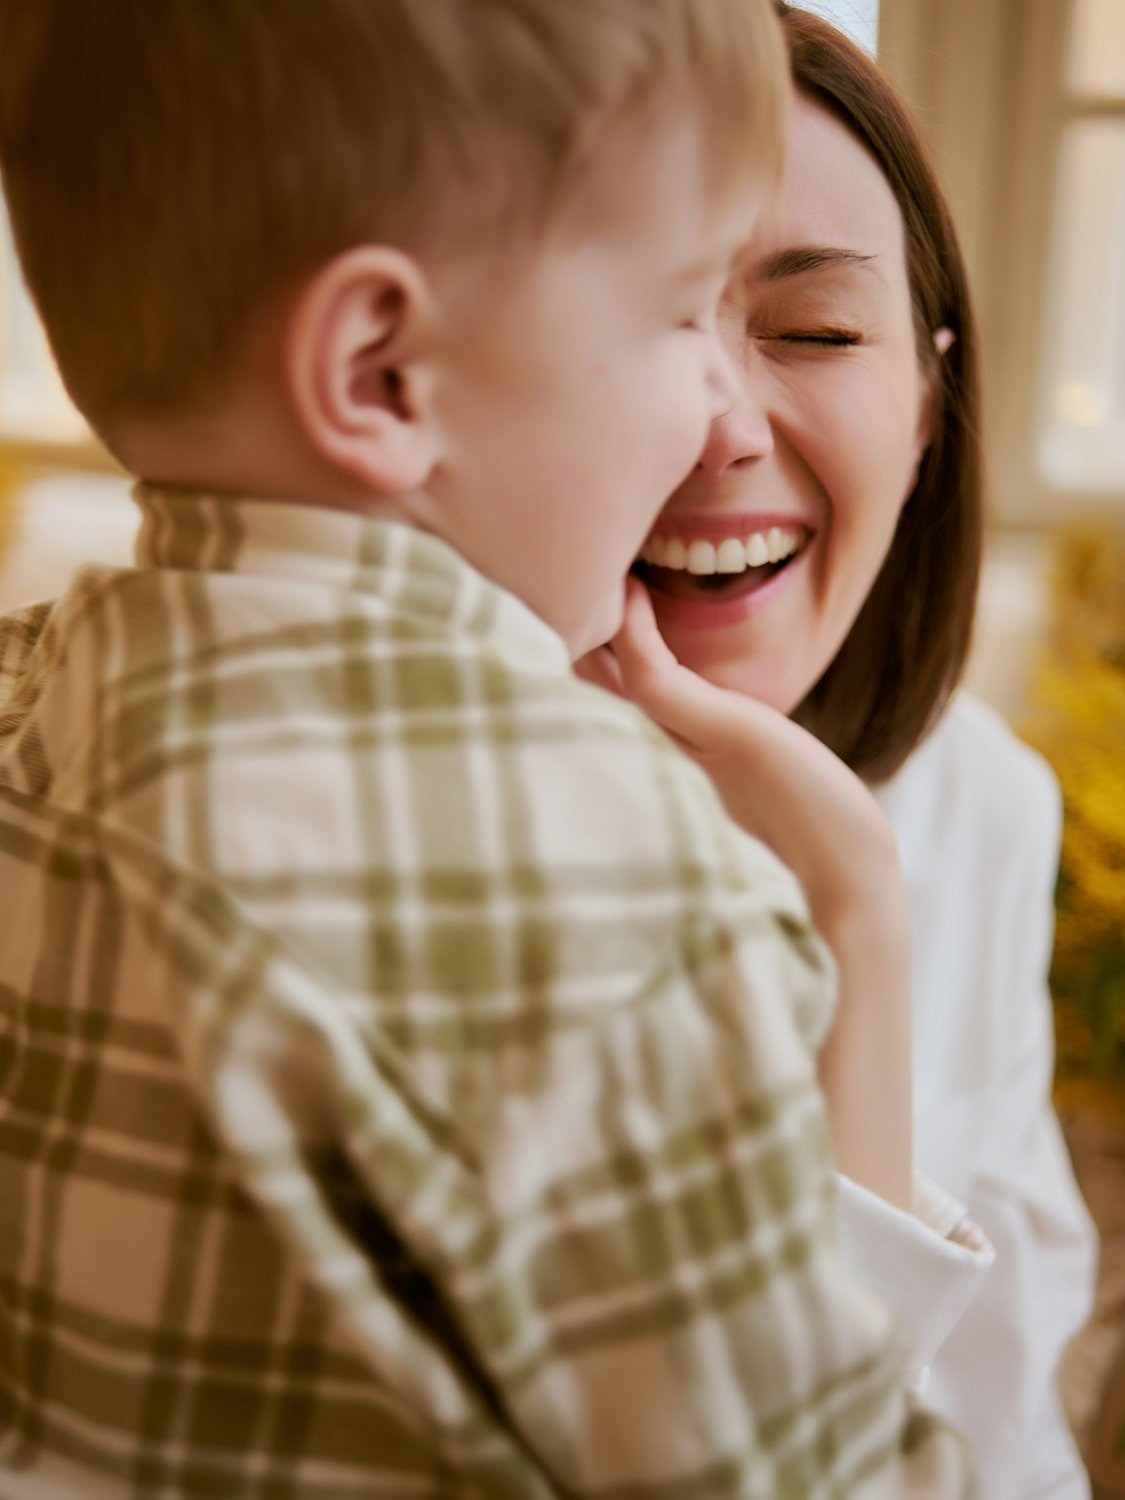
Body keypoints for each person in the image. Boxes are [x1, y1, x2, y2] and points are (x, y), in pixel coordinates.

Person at [0, 3, 977, 1496]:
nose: (719, 411)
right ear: (380, 371)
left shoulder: (27, 707)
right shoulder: (608, 890)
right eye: (671, 315)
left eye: (808, 329)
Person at [587, 7, 1098, 1496]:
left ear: (930, 402)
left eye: (813, 331)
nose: (717, 427)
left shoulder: (972, 802)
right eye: (635, 323)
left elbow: (1001, 1410)